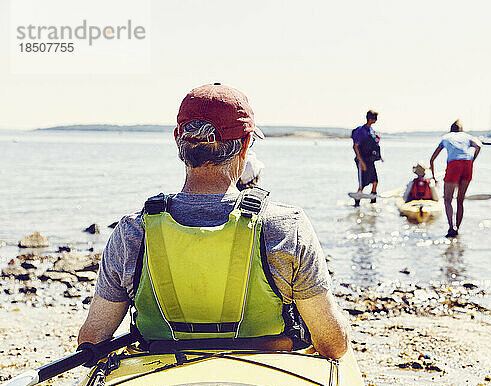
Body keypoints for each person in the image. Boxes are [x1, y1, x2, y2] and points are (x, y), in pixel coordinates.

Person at [78, 83, 348, 359]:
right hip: (263, 376)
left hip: (160, 373)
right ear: (245, 145)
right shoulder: (285, 226)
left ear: (177, 139)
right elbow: (333, 345)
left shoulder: (132, 232)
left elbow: (93, 339)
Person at [430, 120, 481, 238]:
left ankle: (451, 228)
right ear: (461, 129)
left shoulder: (446, 138)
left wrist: (433, 177)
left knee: (448, 200)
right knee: (460, 200)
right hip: (468, 164)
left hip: (454, 165)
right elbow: (478, 147)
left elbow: (432, 159)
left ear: (451, 129)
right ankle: (457, 228)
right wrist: (472, 161)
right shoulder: (467, 136)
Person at [351, 110, 382, 207]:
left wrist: (380, 157)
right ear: (370, 118)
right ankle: (357, 202)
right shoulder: (361, 131)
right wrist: (361, 162)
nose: (375, 121)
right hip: (362, 160)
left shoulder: (371, 130)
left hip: (370, 160)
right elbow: (355, 146)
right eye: (374, 119)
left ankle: (373, 202)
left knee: (375, 180)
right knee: (362, 182)